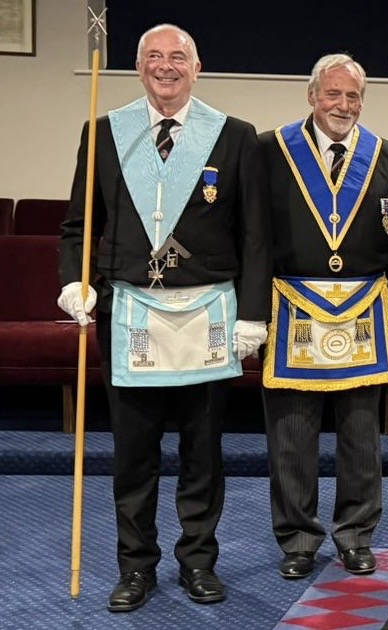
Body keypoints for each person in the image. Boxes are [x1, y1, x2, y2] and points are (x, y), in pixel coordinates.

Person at [56, 24, 270, 611]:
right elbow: (79, 225)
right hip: (130, 314)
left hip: (207, 314)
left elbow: (255, 236)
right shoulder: (105, 131)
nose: (166, 66)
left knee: (203, 452)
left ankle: (198, 561)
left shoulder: (234, 135)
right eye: (154, 56)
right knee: (134, 453)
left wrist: (254, 315)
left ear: (197, 68)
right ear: (138, 66)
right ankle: (135, 567)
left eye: (178, 57)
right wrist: (74, 281)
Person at [257, 54, 388, 580]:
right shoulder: (270, 151)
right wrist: (251, 313)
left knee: (361, 437)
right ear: (312, 96)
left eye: (352, 96)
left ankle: (355, 535)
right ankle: (297, 539)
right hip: (292, 309)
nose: (342, 105)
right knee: (291, 436)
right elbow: (252, 237)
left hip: (365, 313)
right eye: (333, 94)